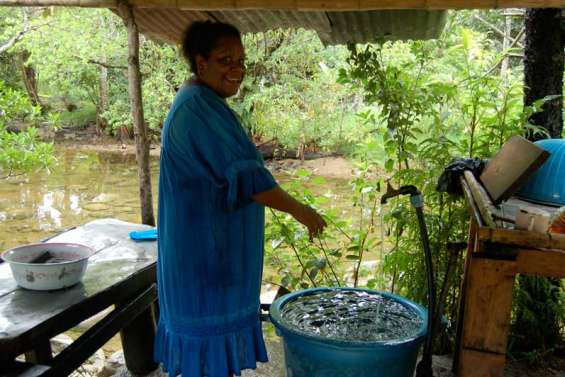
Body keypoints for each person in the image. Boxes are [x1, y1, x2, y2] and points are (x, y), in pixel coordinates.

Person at [154, 21, 327, 377]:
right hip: (203, 255)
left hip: (206, 251)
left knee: (208, 359)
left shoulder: (202, 102)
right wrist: (301, 211)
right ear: (200, 63)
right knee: (204, 358)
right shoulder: (196, 110)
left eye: (241, 60)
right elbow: (249, 180)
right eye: (225, 60)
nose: (237, 69)